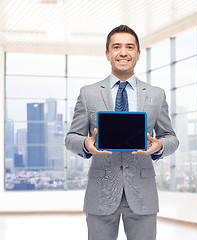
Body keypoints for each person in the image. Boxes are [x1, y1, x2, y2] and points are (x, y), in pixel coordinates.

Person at [65, 25, 179, 240]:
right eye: (116, 47)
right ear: (108, 54)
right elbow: (71, 137)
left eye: (129, 47)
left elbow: (170, 137)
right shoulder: (88, 94)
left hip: (142, 194)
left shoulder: (156, 95)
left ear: (137, 54)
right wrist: (86, 144)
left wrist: (159, 146)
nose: (123, 52)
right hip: (100, 194)